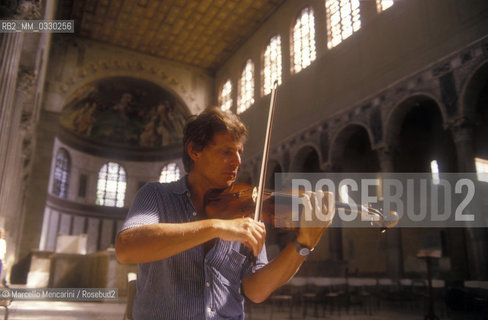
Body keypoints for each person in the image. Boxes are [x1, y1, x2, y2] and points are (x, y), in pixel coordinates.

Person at [115, 107, 333, 319]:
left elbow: (256, 291)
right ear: (195, 151)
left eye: (239, 152)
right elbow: (127, 248)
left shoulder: (248, 211)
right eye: (226, 152)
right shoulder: (156, 195)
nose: (238, 161)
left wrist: (302, 246)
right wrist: (217, 227)